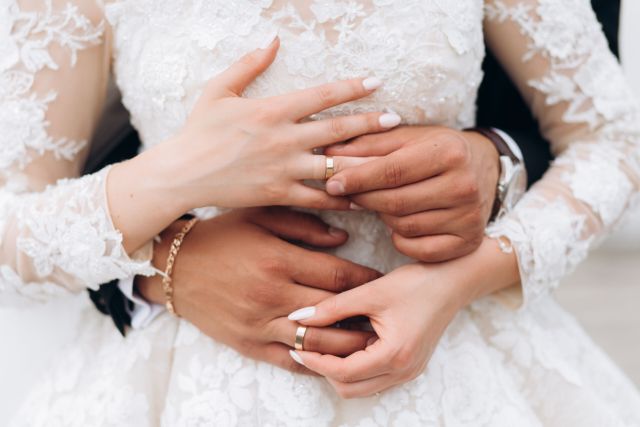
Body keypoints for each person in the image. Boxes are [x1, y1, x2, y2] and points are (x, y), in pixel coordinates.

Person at [2, 1, 639, 426]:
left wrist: (461, 276)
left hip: (458, 355)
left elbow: (615, 137)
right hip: (189, 380)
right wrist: (176, 186)